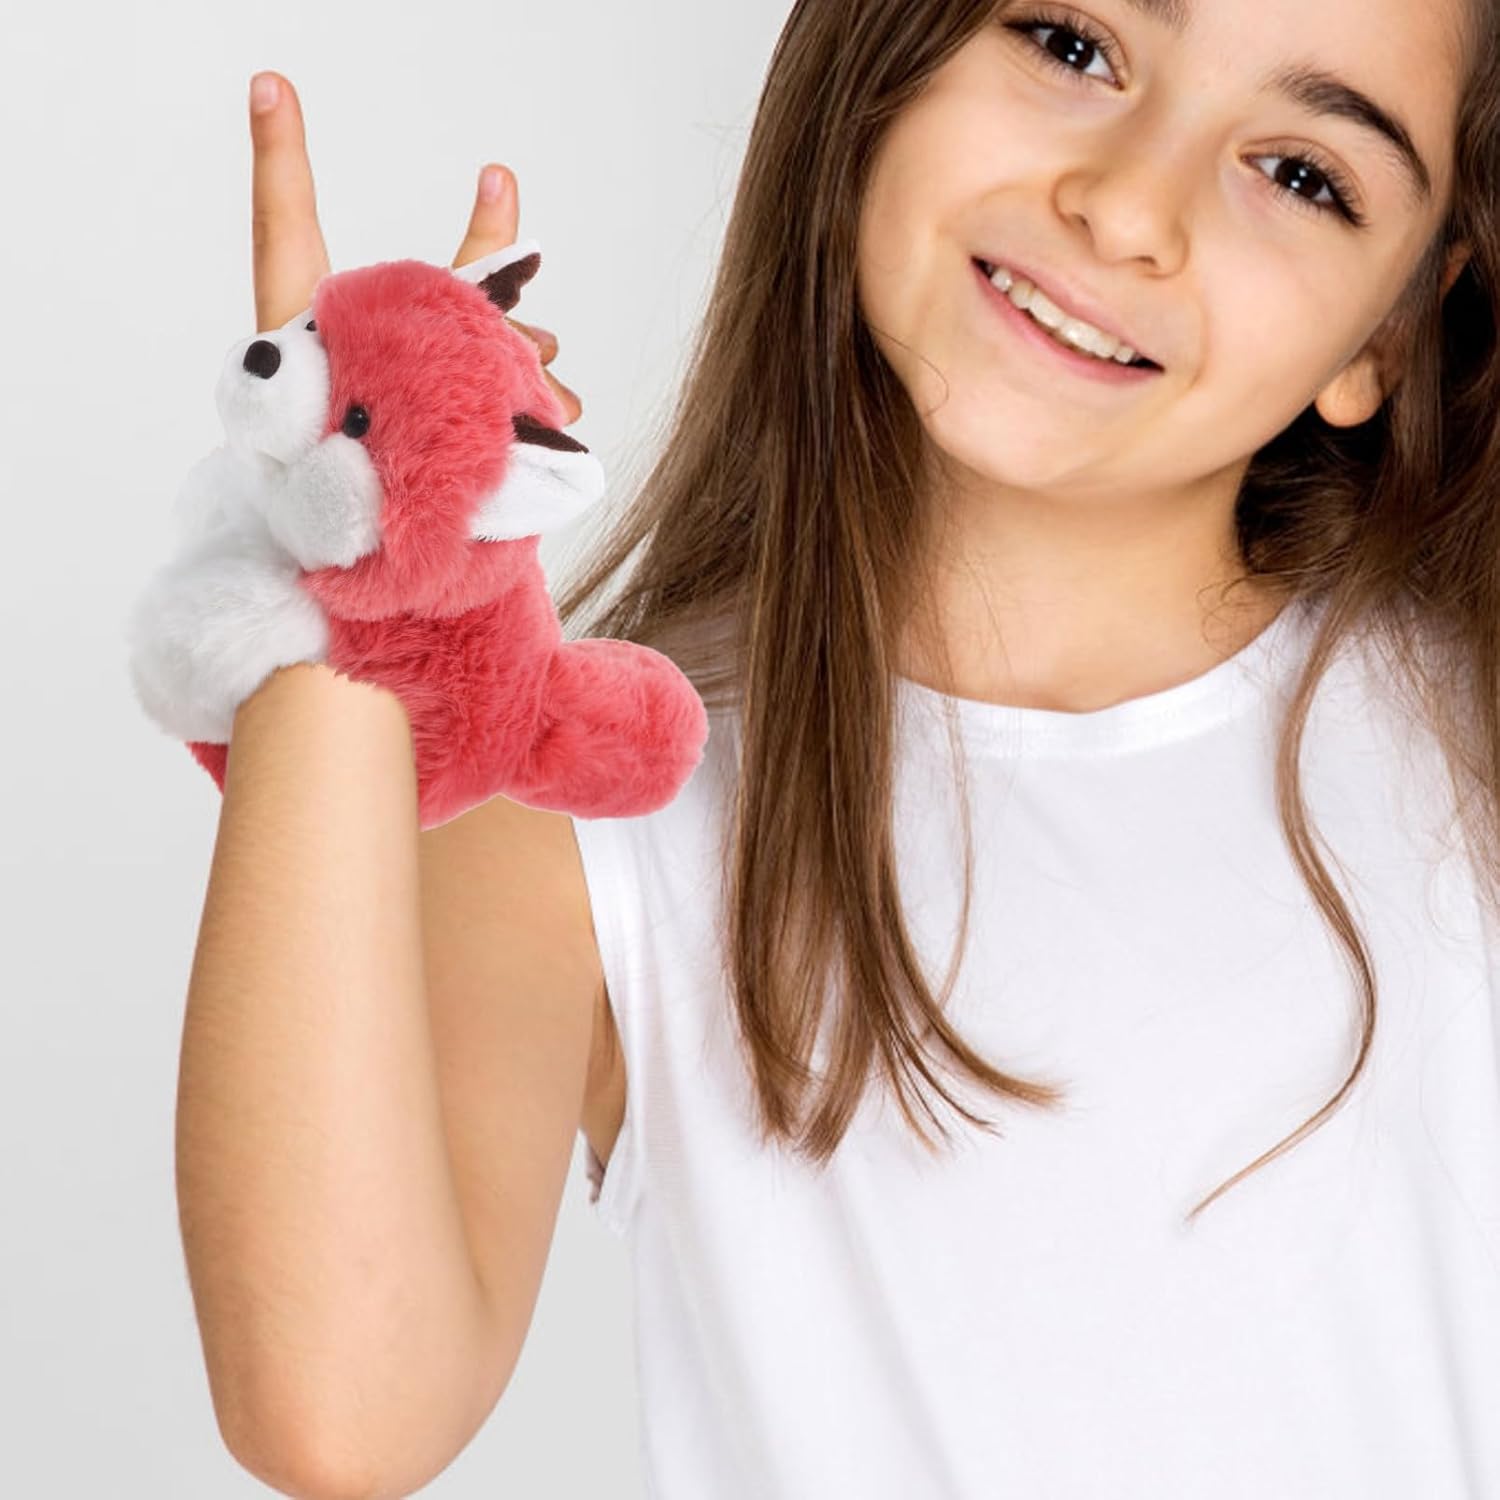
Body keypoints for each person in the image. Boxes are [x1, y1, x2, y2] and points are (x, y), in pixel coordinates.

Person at [175, 0, 1500, 1495]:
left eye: (1304, 175)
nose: (1131, 210)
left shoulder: (1464, 749)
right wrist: (357, 556)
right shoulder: (595, 790)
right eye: (1073, 46)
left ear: (1391, 328)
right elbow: (341, 1409)